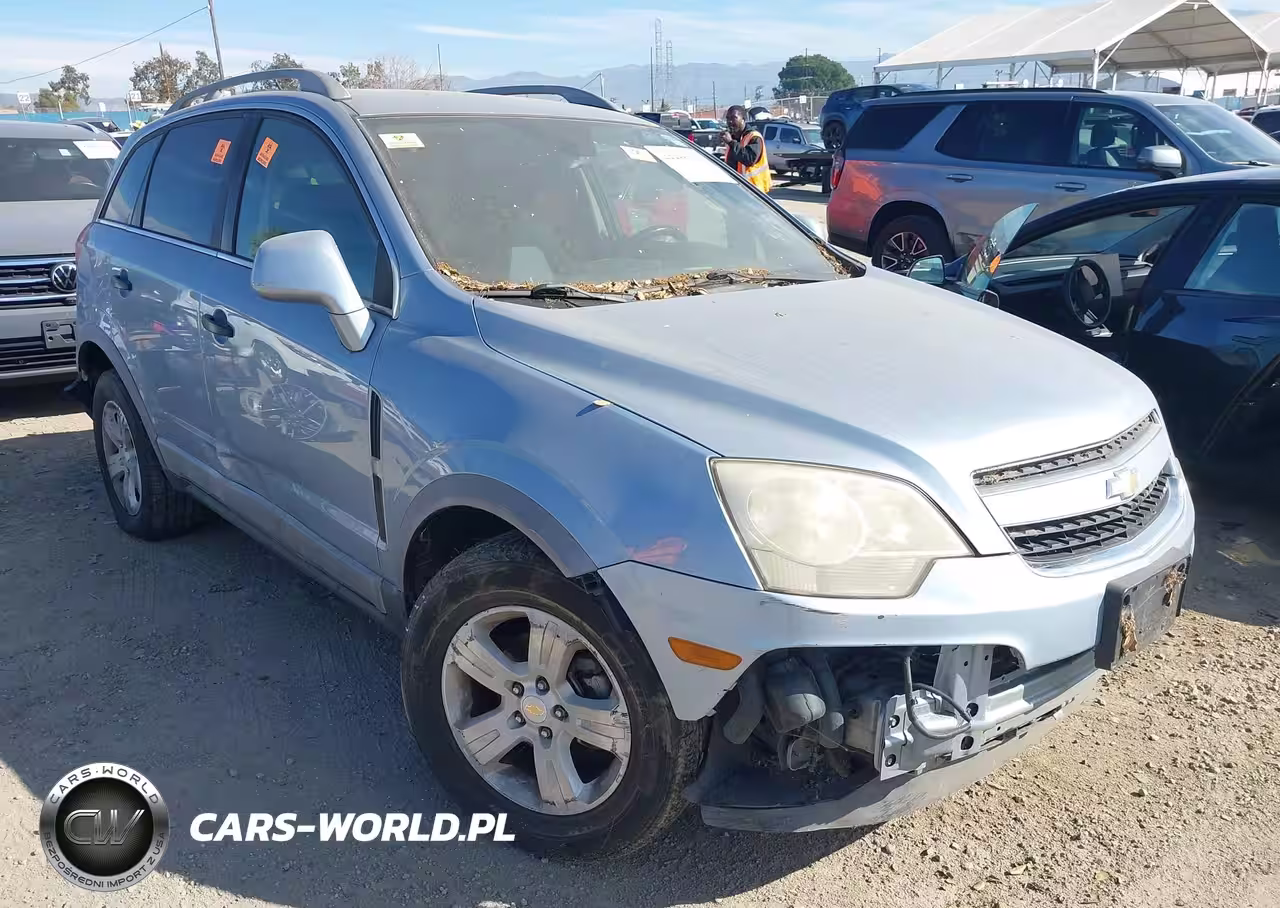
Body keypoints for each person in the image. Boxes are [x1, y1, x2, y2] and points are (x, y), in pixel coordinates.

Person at [720, 106, 772, 193]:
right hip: (738, 189)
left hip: (754, 189)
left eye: (733, 118)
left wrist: (731, 142)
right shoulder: (732, 137)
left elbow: (749, 159)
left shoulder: (754, 137)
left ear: (743, 119)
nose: (730, 121)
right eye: (728, 118)